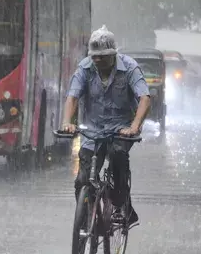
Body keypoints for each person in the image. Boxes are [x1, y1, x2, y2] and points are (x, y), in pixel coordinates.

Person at [61, 25, 151, 225]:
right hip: (92, 131)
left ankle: (121, 204)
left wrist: (134, 127)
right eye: (95, 57)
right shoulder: (84, 68)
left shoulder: (129, 68)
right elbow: (73, 97)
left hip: (121, 130)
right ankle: (86, 219)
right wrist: (67, 122)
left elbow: (145, 99)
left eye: (102, 57)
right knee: (82, 180)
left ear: (113, 54)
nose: (98, 60)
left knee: (118, 156)